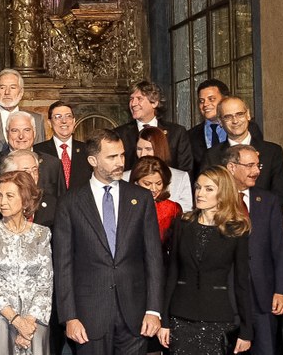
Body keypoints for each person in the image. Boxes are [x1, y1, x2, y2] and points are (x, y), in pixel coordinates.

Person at [53, 129, 163, 354]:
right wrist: (69, 316)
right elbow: (63, 264)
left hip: (135, 316)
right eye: (112, 157)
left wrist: (153, 310)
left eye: (122, 155)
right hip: (88, 318)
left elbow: (153, 258)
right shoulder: (70, 202)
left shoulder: (141, 198)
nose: (120, 162)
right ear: (93, 160)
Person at [157, 166, 252, 354]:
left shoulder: (236, 229)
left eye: (209, 189)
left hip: (218, 317)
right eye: (198, 187)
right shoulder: (182, 224)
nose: (200, 193)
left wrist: (246, 330)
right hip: (180, 316)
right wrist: (164, 321)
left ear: (223, 193)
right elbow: (172, 274)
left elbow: (242, 282)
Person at [0, 170, 53, 355]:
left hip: (34, 320)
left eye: (9, 196)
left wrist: (28, 324)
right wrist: (17, 321)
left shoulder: (42, 234)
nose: (2, 202)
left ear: (25, 200)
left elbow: (45, 284)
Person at [223, 145, 283, 354]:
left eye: (258, 165)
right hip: (228, 297)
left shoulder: (269, 201)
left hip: (263, 296)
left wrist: (281, 290)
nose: (256, 171)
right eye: (249, 165)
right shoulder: (217, 200)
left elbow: (279, 250)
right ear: (231, 167)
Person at [202, 95, 283, 208]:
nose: (235, 121)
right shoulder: (211, 156)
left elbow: (280, 195)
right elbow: (206, 195)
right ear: (220, 121)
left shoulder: (272, 152)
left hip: (264, 216)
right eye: (228, 117)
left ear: (248, 115)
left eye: (240, 114)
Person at [0, 111, 66, 202]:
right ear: (7, 133)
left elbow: (63, 202)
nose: (21, 136)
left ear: (34, 132)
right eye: (15, 131)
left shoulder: (53, 164)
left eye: (27, 130)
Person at [187, 79, 263, 180]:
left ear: (225, 99)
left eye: (211, 99)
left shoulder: (248, 127)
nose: (205, 104)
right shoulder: (190, 136)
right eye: (201, 101)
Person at [114, 80, 193, 173]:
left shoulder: (177, 133)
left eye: (139, 98)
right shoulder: (119, 134)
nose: (133, 103)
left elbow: (185, 170)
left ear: (154, 103)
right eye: (131, 99)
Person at [0, 149, 57, 229]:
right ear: (9, 174)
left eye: (35, 170)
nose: (32, 176)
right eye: (26, 172)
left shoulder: (51, 203)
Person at [123, 126, 193, 211]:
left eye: (148, 149)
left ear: (160, 149)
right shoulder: (124, 177)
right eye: (139, 149)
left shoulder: (180, 177)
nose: (143, 154)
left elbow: (186, 211)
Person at [0, 69, 45, 149]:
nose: (7, 92)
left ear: (21, 92)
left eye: (13, 87)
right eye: (2, 88)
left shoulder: (37, 119)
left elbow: (41, 152)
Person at [129, 156, 181, 253]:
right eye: (147, 184)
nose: (154, 189)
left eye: (158, 183)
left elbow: (174, 248)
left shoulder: (171, 209)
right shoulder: (125, 205)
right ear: (136, 182)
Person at [34, 101, 89, 189]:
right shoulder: (37, 151)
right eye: (58, 117)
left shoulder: (87, 150)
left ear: (74, 121)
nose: (64, 121)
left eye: (68, 116)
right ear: (49, 123)